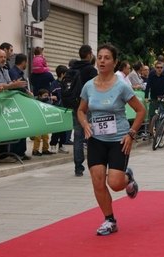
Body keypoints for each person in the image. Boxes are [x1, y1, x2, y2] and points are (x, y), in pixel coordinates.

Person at [77, 43, 146, 235]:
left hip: (118, 140)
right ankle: (109, 220)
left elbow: (141, 111)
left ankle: (128, 176)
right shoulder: (89, 86)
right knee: (98, 181)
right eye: (99, 57)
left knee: (115, 184)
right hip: (96, 139)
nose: (102, 61)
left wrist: (131, 134)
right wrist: (84, 124)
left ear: (114, 62)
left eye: (106, 58)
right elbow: (81, 111)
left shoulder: (122, 86)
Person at [0, 49, 28, 164]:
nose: (3, 59)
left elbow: (9, 83)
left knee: (3, 129)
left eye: (4, 57)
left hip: (5, 103)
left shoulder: (5, 69)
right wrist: (12, 85)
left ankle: (3, 155)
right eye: (1, 57)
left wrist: (13, 84)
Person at [70, 44, 98, 177]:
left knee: (78, 136)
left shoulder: (72, 68)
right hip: (88, 106)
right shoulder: (91, 70)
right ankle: (95, 163)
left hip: (75, 105)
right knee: (92, 134)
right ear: (88, 55)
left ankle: (78, 168)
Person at [8, 53, 34, 160]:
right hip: (16, 102)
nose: (27, 64)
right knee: (18, 127)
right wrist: (27, 92)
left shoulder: (19, 72)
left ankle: (21, 151)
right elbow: (17, 86)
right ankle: (16, 151)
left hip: (22, 102)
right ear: (23, 62)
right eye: (27, 62)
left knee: (24, 127)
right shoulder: (13, 72)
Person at [49, 65, 70, 154]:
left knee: (64, 128)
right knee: (56, 128)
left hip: (65, 109)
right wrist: (52, 97)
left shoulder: (66, 84)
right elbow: (50, 94)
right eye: (66, 73)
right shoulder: (54, 84)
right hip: (57, 108)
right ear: (62, 74)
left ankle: (61, 145)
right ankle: (53, 144)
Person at [144, 61, 164, 133]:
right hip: (154, 96)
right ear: (155, 68)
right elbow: (148, 85)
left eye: (161, 68)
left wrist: (163, 96)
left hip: (163, 95)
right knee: (152, 114)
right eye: (158, 67)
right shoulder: (151, 74)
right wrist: (146, 97)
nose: (159, 69)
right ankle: (150, 131)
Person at [32, 89, 55, 156]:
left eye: (47, 96)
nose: (46, 97)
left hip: (45, 121)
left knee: (46, 136)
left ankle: (45, 149)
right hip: (37, 121)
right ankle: (35, 150)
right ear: (40, 96)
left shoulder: (48, 102)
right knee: (38, 137)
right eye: (45, 96)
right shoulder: (35, 101)